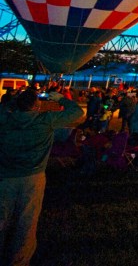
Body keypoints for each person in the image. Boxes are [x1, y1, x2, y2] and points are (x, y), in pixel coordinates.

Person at [0, 87, 84, 266]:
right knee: (27, 221)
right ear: (36, 106)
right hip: (33, 177)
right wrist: (60, 98)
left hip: (5, 177)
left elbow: (3, 107)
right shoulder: (46, 120)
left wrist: (15, 100)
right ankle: (19, 261)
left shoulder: (5, 119)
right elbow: (77, 112)